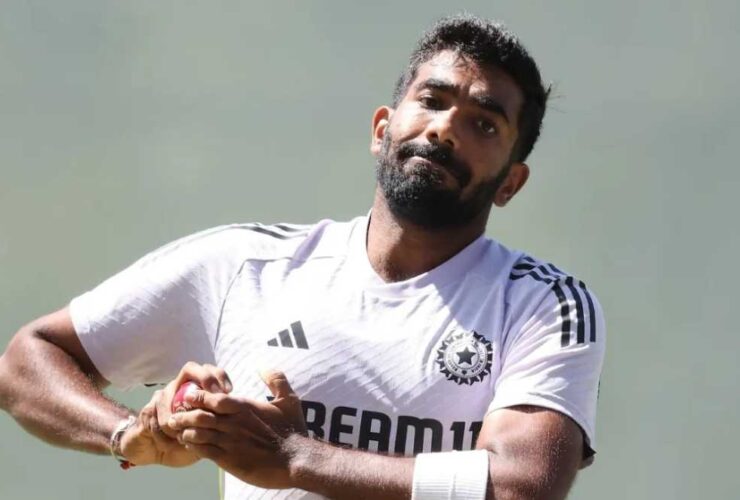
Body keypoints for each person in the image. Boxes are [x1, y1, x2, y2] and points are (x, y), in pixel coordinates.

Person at [0, 14, 605, 500]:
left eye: (485, 125)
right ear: (381, 129)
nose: (445, 130)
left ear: (510, 183)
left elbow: (520, 486)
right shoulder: (243, 266)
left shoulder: (542, 304)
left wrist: (296, 457)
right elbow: (27, 361)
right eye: (432, 99)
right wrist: (130, 433)